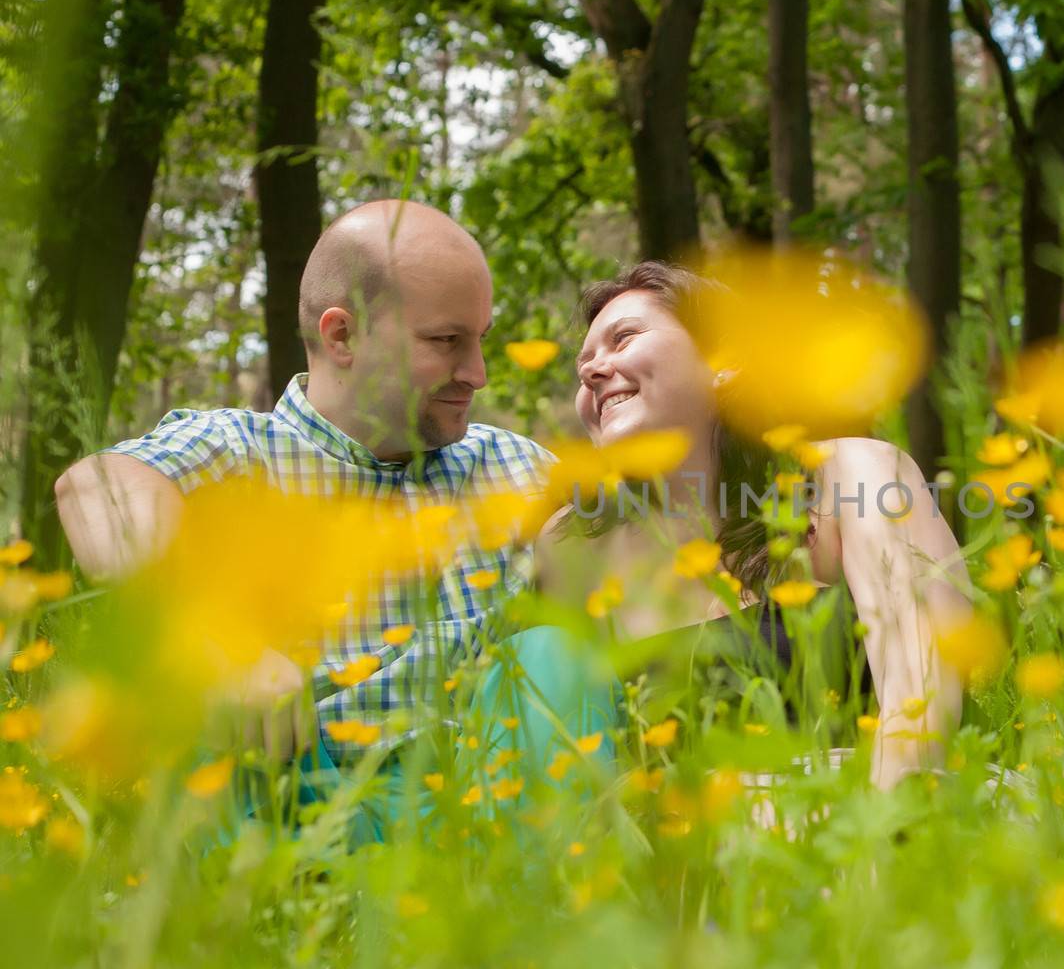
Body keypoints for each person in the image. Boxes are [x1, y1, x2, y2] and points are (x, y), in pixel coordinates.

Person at [53, 200, 591, 801]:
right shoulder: (237, 450)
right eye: (446, 340)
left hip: (481, 813)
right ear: (342, 336)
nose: (478, 372)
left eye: (481, 340)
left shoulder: (515, 467)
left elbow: (660, 554)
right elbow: (97, 490)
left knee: (557, 648)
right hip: (290, 806)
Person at [536, 261, 971, 789]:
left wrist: (873, 839)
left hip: (853, 825)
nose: (591, 370)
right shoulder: (573, 543)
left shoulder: (849, 476)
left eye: (623, 338)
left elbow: (922, 698)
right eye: (584, 362)